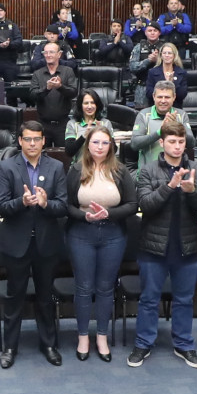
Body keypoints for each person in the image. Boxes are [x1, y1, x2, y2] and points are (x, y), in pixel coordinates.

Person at [129, 118, 197, 368]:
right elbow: (145, 206)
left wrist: (192, 191)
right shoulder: (148, 170)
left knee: (185, 299)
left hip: (188, 247)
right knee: (149, 299)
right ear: (162, 143)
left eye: (181, 141)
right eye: (172, 142)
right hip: (153, 247)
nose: (177, 146)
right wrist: (170, 186)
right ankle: (143, 343)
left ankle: (184, 344)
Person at [0, 118, 68, 370]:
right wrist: (21, 203)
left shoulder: (56, 167)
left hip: (46, 244)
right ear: (20, 141)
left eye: (37, 139)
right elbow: (1, 206)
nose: (33, 143)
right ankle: (10, 347)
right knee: (15, 297)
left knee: (45, 297)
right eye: (28, 139)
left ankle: (48, 344)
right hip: (17, 244)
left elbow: (63, 206)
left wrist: (46, 204)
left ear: (44, 141)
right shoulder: (7, 167)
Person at [64, 122, 136, 363]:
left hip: (113, 234)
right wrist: (85, 215)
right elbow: (67, 206)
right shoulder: (76, 169)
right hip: (81, 233)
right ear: (87, 144)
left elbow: (132, 205)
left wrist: (109, 214)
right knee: (84, 287)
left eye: (105, 142)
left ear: (111, 146)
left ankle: (102, 337)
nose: (100, 146)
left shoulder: (120, 171)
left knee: (105, 287)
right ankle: (83, 336)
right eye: (95, 141)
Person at [32, 42, 78, 149]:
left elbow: (73, 92)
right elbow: (33, 95)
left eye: (51, 52)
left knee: (64, 157)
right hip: (43, 124)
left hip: (63, 124)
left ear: (59, 54)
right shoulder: (37, 74)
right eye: (46, 52)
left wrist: (60, 87)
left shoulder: (68, 71)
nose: (48, 55)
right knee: (41, 156)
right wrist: (47, 88)